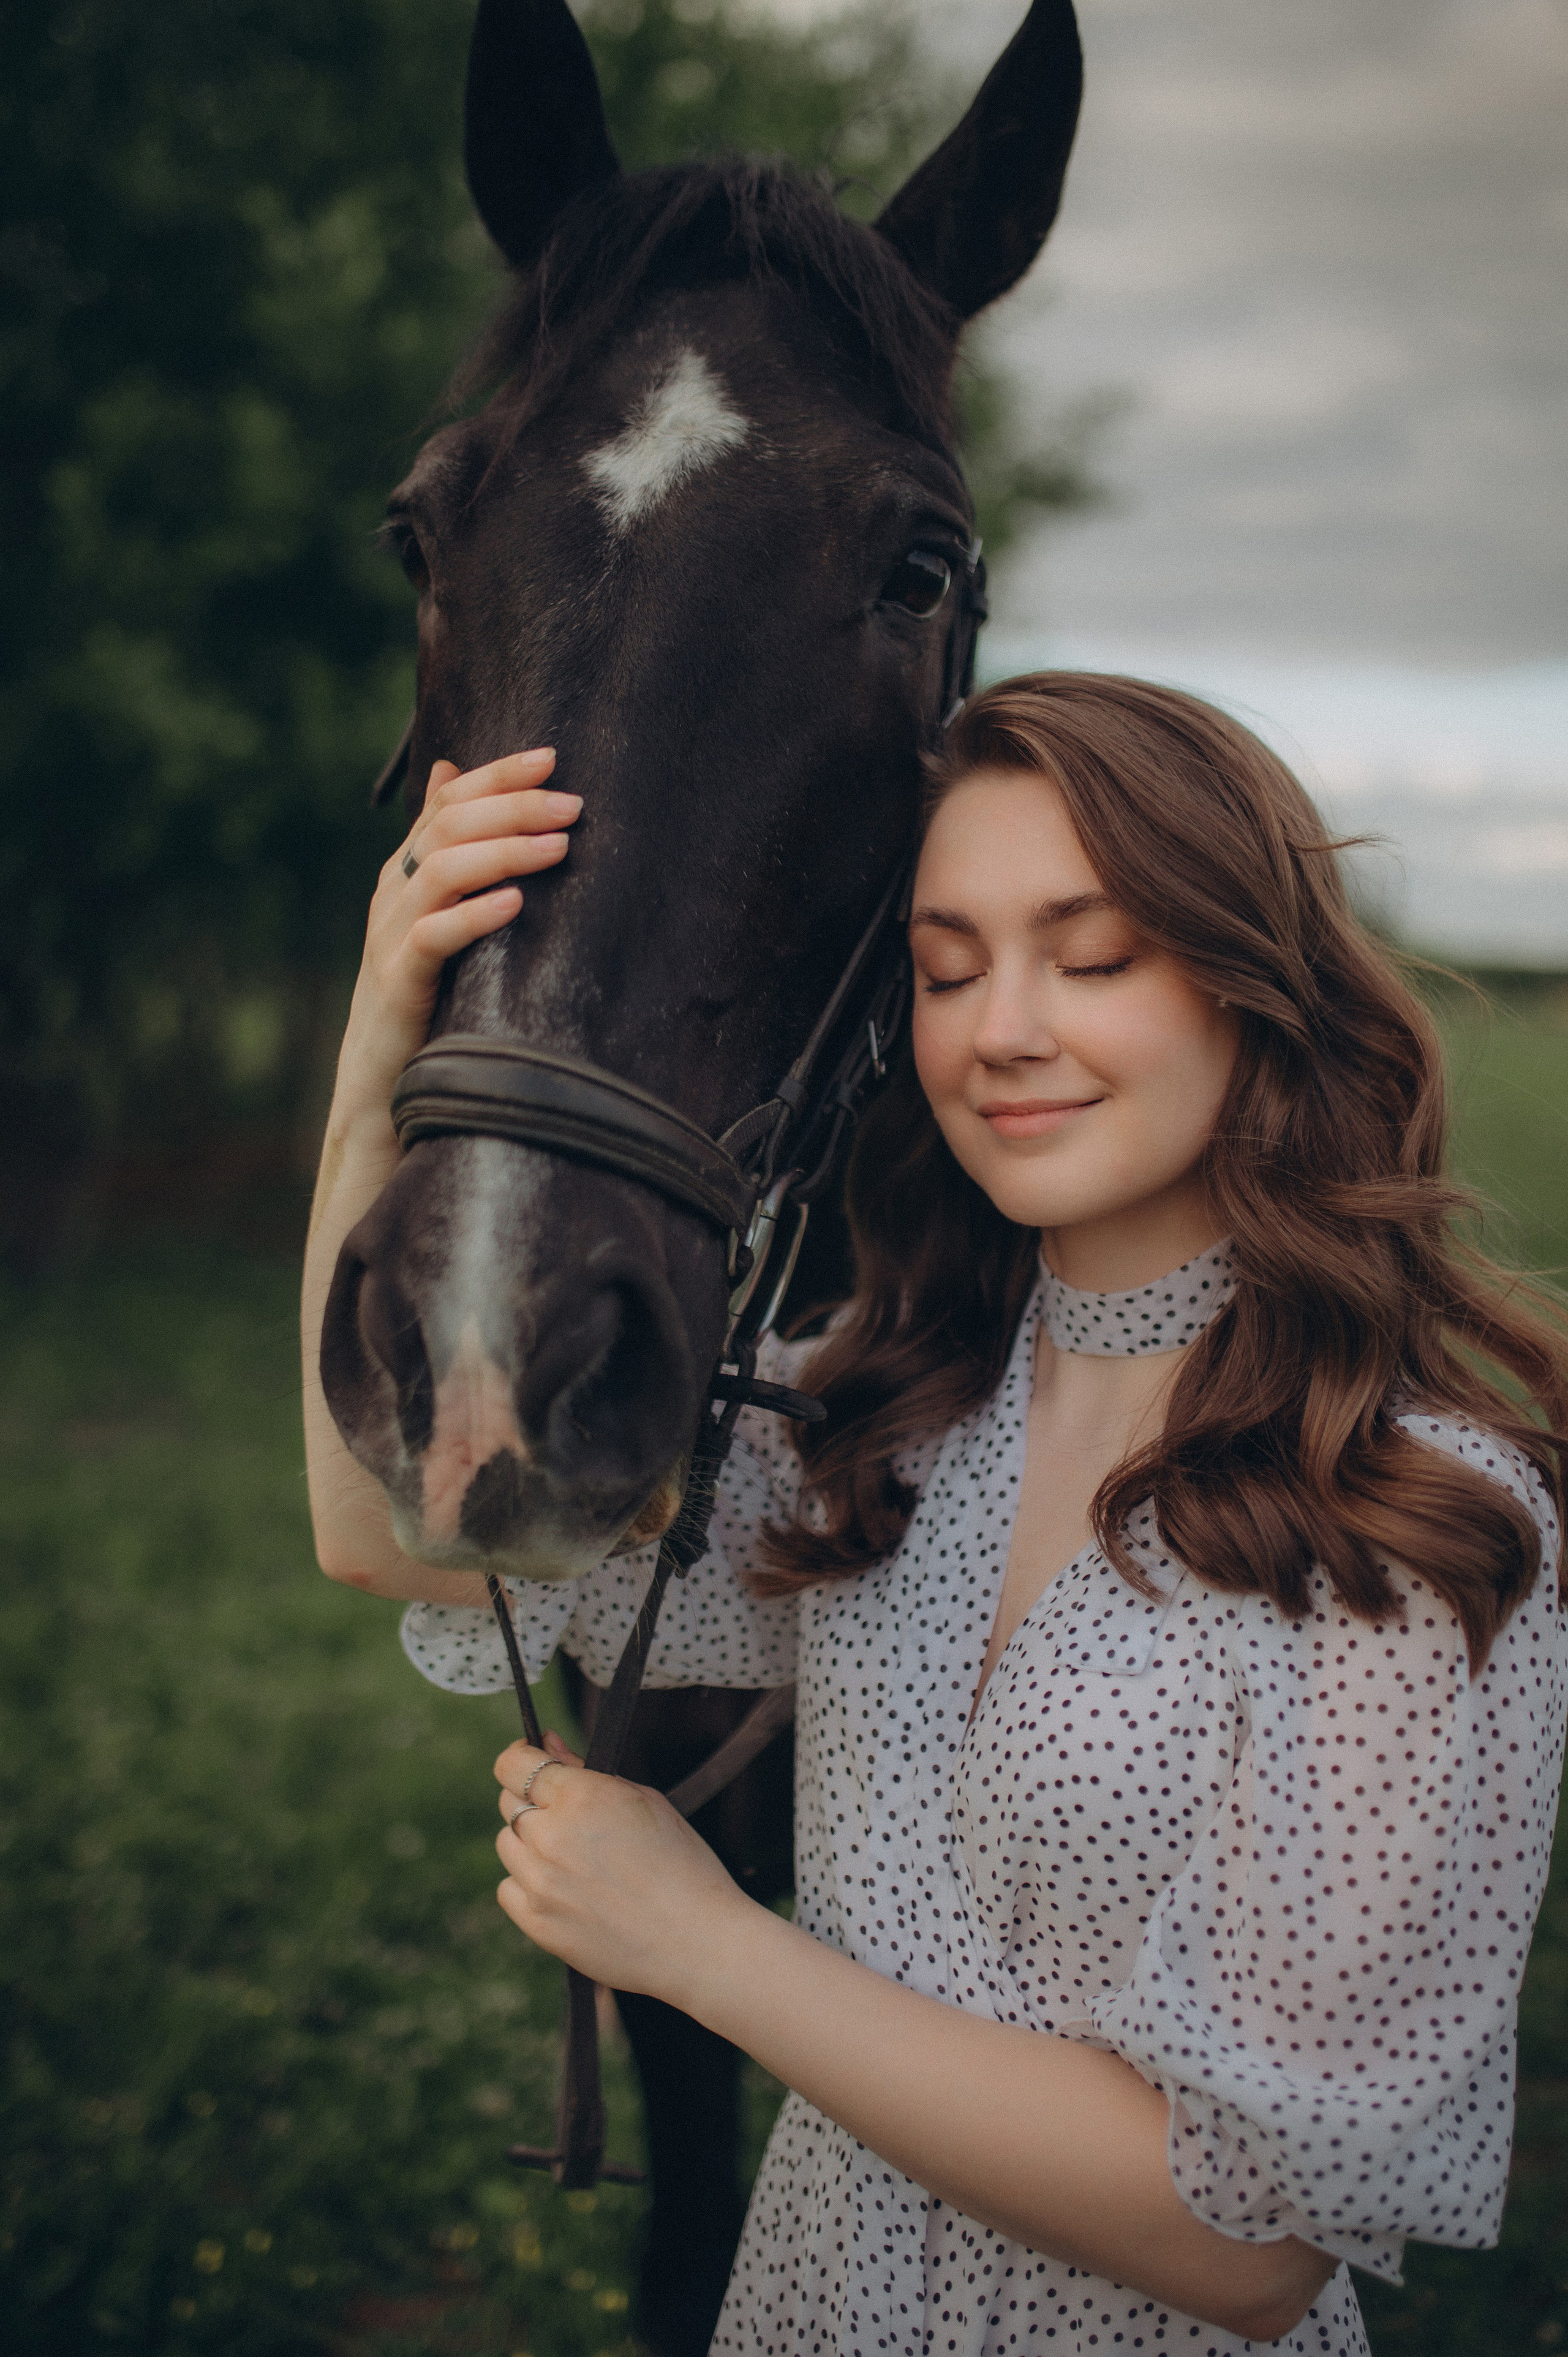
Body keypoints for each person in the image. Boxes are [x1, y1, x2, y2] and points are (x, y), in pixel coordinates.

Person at [306, 674, 1567, 2356]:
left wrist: (706, 1948)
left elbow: (1252, 2242)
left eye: (1094, 956)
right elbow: (398, 1529)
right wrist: (383, 1045)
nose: (1000, 1032)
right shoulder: (876, 1417)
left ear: (1254, 984)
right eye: (945, 966)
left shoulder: (1409, 1522)